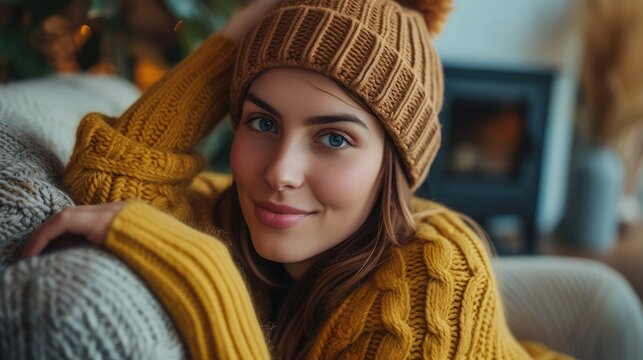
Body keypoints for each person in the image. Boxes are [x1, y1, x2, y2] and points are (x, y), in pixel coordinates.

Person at [23, 0, 572, 358]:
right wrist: (243, 31)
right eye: (262, 122)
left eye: (333, 138)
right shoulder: (225, 212)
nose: (279, 173)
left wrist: (204, 273)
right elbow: (112, 176)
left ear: (395, 166)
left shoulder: (436, 278)